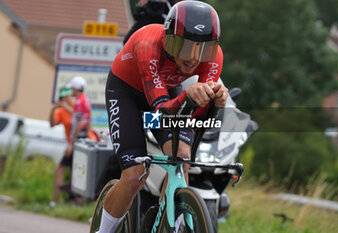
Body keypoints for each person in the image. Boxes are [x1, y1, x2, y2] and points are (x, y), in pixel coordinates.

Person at [98, 1, 228, 232]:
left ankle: (169, 226)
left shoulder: (215, 57)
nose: (194, 59)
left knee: (182, 156)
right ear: (169, 40)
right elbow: (160, 112)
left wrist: (214, 103)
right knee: (135, 175)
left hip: (167, 92)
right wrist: (188, 96)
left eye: (203, 49)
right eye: (186, 47)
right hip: (126, 92)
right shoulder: (148, 44)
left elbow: (194, 119)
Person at [49, 86, 74, 207]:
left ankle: (75, 200)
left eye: (66, 97)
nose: (64, 100)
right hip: (71, 144)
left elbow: (79, 119)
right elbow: (52, 124)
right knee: (60, 171)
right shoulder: (62, 111)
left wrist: (71, 144)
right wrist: (54, 108)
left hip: (81, 141)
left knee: (75, 173)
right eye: (62, 98)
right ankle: (55, 201)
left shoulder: (76, 105)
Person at [65, 76, 92, 156]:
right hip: (83, 137)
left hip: (78, 138)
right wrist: (87, 135)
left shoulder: (79, 101)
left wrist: (71, 143)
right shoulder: (86, 99)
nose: (70, 90)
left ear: (75, 89)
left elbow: (79, 122)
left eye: (71, 88)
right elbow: (89, 119)